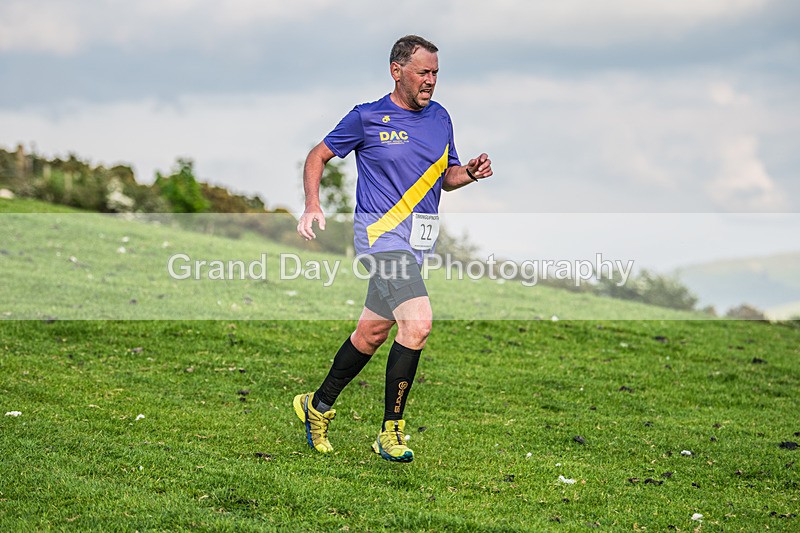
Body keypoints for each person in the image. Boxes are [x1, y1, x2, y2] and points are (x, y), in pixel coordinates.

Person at [293, 35, 493, 463]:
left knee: (372, 332)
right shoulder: (367, 117)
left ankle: (317, 406)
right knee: (418, 324)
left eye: (436, 73)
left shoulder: (441, 118)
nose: (431, 81)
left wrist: (470, 172)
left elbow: (447, 176)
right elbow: (317, 155)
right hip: (380, 240)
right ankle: (391, 431)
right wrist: (313, 203)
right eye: (423, 72)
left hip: (417, 242)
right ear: (396, 70)